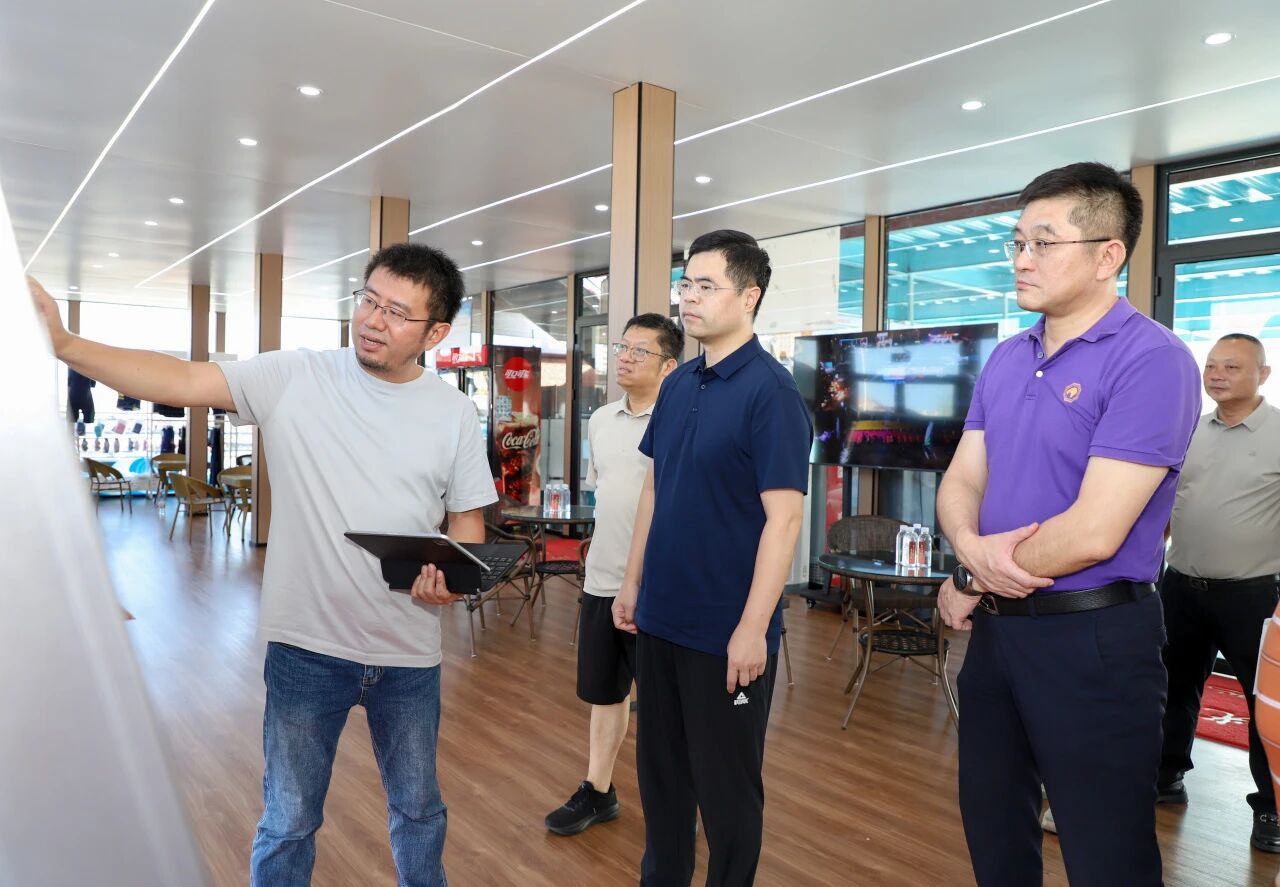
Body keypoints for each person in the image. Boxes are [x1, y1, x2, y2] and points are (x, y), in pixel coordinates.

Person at [29, 241, 497, 887]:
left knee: (419, 811)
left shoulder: (453, 413)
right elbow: (180, 380)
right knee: (289, 820)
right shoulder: (297, 376)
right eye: (368, 300)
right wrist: (64, 343)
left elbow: (467, 523)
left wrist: (451, 583)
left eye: (396, 312)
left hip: (409, 653)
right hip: (306, 648)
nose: (373, 320)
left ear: (435, 332)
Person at [935, 162, 1201, 886]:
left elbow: (1094, 531)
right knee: (994, 834)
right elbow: (962, 479)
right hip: (998, 635)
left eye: (1044, 243)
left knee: (1106, 854)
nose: (1022, 259)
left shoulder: (1154, 360)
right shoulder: (1007, 357)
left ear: (1108, 254)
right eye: (1018, 242)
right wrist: (971, 558)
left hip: (1094, 639)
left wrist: (977, 573)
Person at [613, 229, 812, 886]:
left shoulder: (772, 393)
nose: (689, 297)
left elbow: (784, 519)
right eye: (685, 283)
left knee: (727, 797)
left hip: (727, 632)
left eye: (706, 285)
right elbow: (654, 488)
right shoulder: (678, 385)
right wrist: (632, 583)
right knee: (662, 785)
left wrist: (753, 628)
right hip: (661, 619)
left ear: (749, 296)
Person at [544, 312, 683, 837]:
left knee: (669, 707)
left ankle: (680, 802)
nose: (624, 358)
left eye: (639, 350)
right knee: (606, 695)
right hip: (603, 581)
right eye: (621, 347)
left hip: (661, 588)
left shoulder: (683, 422)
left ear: (668, 366)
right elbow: (608, 496)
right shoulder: (600, 420)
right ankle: (598, 791)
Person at [1159, 333, 1280, 850]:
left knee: (1265, 705)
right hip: (1181, 587)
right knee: (1171, 687)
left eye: (1232, 366)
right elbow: (1170, 501)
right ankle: (1166, 776)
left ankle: (1272, 808)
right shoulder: (1190, 431)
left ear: (1263, 374)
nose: (1217, 374)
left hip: (1254, 596)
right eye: (1211, 365)